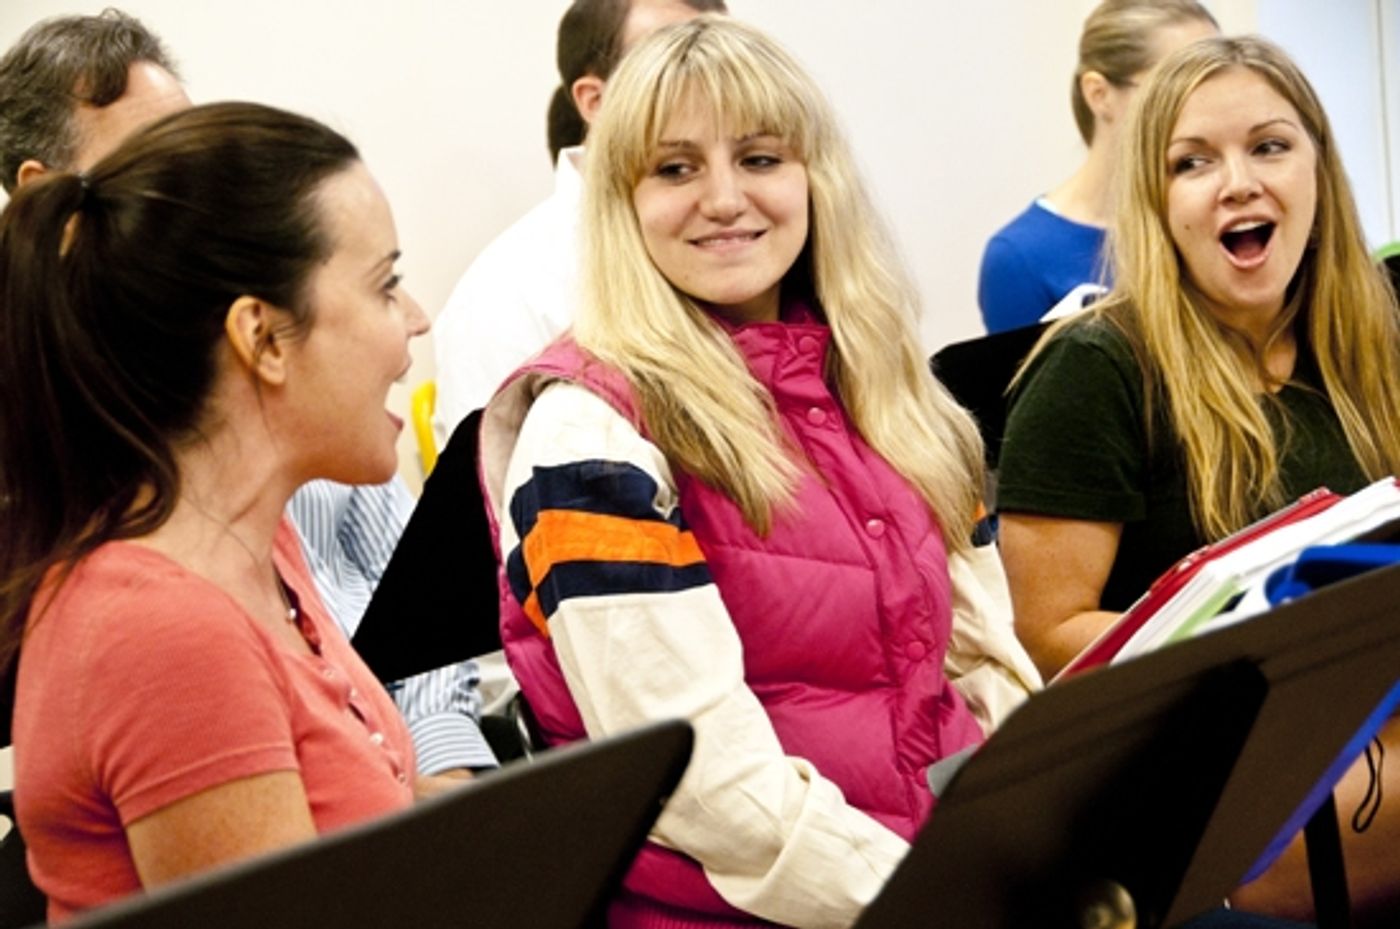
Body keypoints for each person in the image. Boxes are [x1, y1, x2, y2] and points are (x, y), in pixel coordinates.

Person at [478, 17, 991, 927]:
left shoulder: (882, 382)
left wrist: (1033, 830)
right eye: (675, 169)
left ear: (814, 177)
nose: (724, 198)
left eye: (759, 158)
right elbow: (706, 783)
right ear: (622, 200)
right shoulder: (587, 434)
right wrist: (938, 892)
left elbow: (987, 661)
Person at [0, 9, 494, 776]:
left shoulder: (280, 490)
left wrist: (442, 777)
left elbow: (416, 611)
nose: (201, 191)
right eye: (157, 166)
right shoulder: (160, 599)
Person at [0, 101, 443, 920]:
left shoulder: (260, 544)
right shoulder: (164, 632)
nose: (416, 318)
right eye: (385, 285)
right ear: (262, 338)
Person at [996, 35, 1400, 922]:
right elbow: (1050, 634)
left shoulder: (1376, 334)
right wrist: (1283, 660)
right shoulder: (1095, 370)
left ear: (1319, 172)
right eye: (1193, 162)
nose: (1238, 183)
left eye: (1269, 146)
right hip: (1216, 774)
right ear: (1156, 199)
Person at [432, 0, 727, 442]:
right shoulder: (509, 292)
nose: (720, 87)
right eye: (674, 61)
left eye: (726, 57)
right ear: (596, 101)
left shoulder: (748, 238)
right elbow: (493, 477)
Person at [976, 0, 1217, 334]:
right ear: (1099, 94)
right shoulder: (1021, 257)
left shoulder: (1213, 216)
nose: (1207, 106)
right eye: (1176, 88)